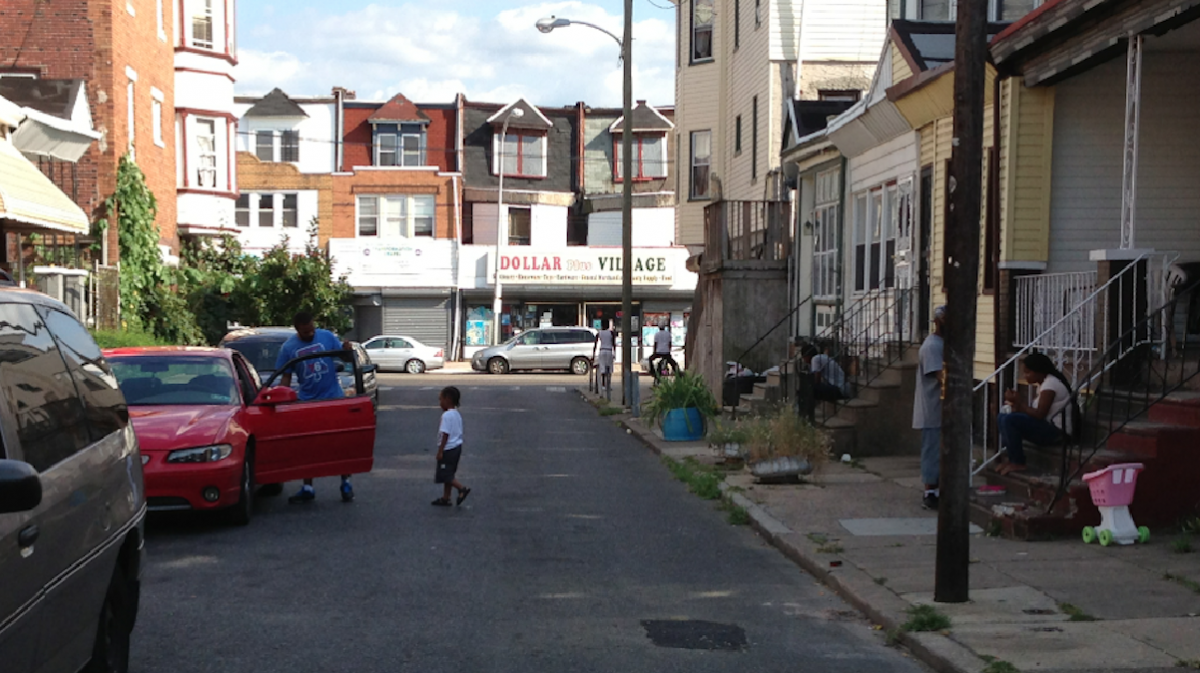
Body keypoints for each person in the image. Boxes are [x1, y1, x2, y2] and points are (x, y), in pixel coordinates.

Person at [279, 311, 356, 504]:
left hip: (334, 399)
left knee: (340, 444)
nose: (310, 333)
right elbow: (286, 376)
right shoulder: (288, 348)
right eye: (305, 332)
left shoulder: (327, 336)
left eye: (312, 329)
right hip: (308, 402)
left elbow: (345, 359)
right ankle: (307, 487)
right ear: (297, 329)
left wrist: (347, 350)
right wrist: (279, 399)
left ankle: (346, 482)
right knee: (308, 446)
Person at [997, 353, 1073, 476]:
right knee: (1002, 417)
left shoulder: (1051, 384)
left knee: (1010, 420)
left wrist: (1019, 403)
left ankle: (1018, 461)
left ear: (1039, 371)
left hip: (1057, 432)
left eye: (1028, 372)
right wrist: (1016, 406)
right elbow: (1031, 413)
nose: (1025, 376)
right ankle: (1011, 459)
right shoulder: (1044, 384)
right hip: (1047, 427)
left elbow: (1039, 414)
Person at [913, 306, 946, 510]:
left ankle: (937, 487)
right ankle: (930, 491)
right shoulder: (932, 346)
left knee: (938, 449)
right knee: (932, 449)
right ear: (938, 321)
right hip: (932, 407)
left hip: (939, 407)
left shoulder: (942, 343)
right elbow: (941, 376)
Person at [432, 386, 470, 507]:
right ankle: (446, 497)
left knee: (445, 474)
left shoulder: (446, 416)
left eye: (441, 399)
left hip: (448, 448)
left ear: (448, 399)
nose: (440, 403)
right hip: (457, 447)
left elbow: (445, 434)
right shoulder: (456, 414)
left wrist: (440, 451)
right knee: (449, 473)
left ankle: (461, 488)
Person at [592, 321, 616, 399]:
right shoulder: (611, 333)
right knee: (609, 369)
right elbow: (613, 343)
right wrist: (614, 352)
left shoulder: (599, 333)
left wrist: (594, 354)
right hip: (609, 350)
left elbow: (595, 344)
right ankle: (608, 385)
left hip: (602, 350)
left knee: (602, 369)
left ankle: (602, 385)